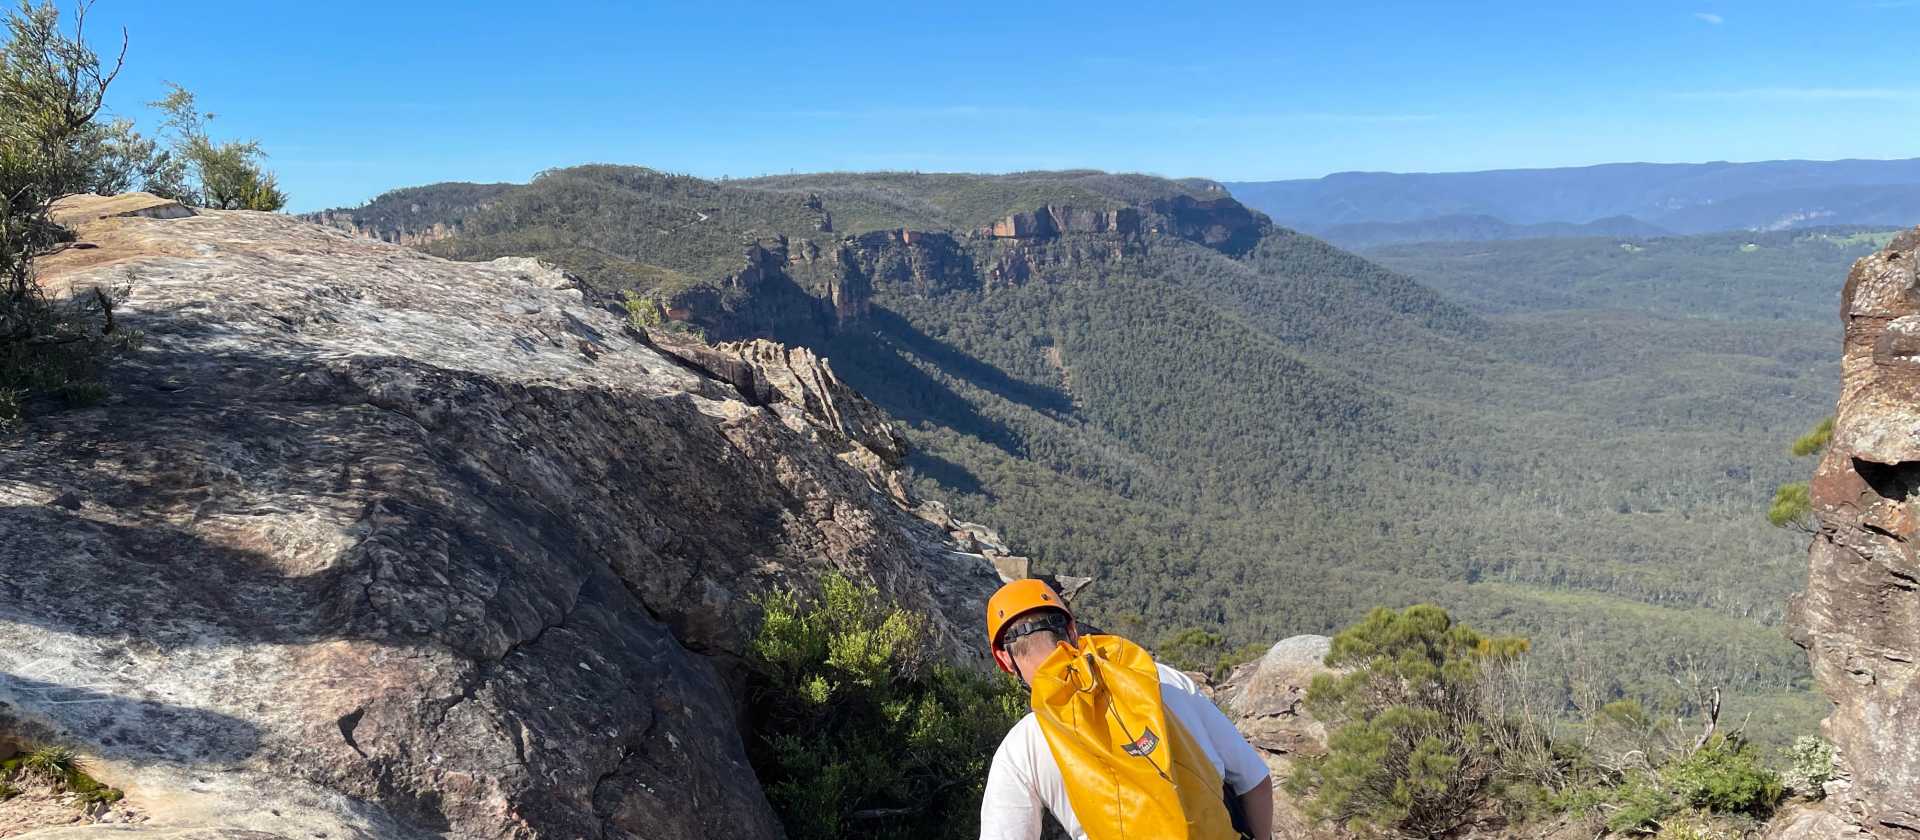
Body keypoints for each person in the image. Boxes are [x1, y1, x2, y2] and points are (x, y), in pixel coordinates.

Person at [979, 579, 1275, 840]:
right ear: (1072, 630)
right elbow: (1256, 781)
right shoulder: (1162, 680)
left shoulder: (1022, 747)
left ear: (1005, 661)